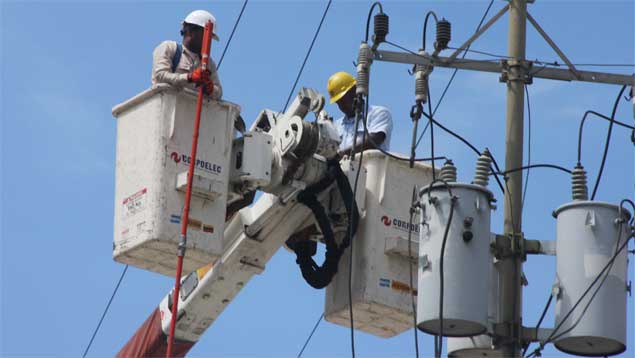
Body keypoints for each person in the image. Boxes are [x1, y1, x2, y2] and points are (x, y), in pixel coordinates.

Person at [152, 10, 222, 100]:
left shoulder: (209, 63)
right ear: (191, 31)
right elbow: (160, 76)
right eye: (207, 35)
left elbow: (219, 92)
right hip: (167, 106)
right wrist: (189, 77)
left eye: (210, 38)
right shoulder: (169, 48)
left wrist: (210, 88)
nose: (208, 42)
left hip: (191, 110)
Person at [327, 71, 392, 157]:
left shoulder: (378, 113)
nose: (341, 105)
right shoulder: (336, 127)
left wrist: (340, 155)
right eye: (338, 102)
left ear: (355, 91)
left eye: (343, 99)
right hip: (342, 170)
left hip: (370, 168)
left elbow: (374, 141)